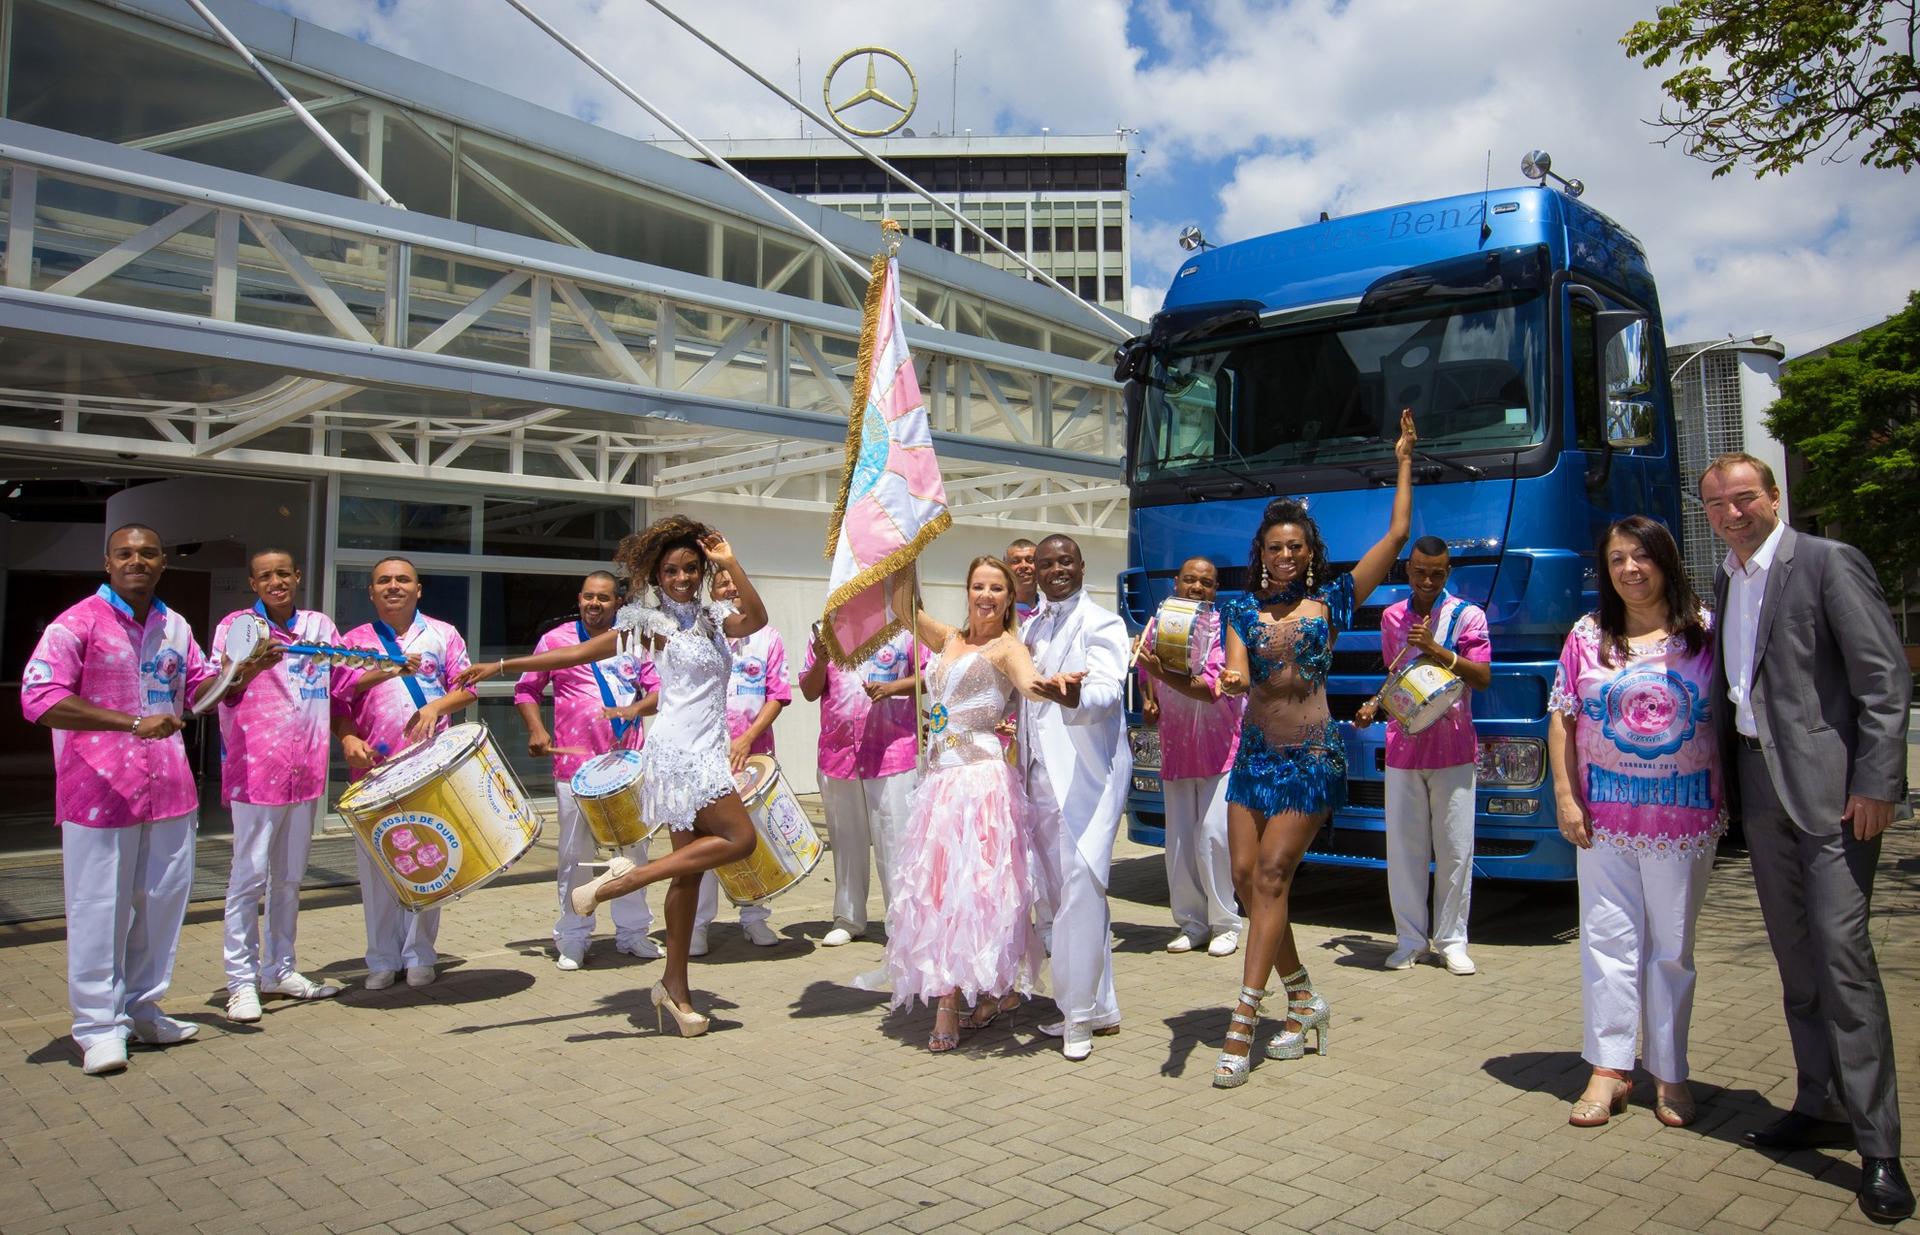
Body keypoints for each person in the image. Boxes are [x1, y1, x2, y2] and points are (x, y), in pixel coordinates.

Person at [1700, 453, 1911, 1223]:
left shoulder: (1827, 562)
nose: (1732, 513)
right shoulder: (1728, 578)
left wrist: (1878, 783)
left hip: (1833, 798)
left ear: (1773, 496)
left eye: (1743, 498)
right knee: (1796, 961)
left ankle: (1879, 1147)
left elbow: (1884, 681)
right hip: (1760, 790)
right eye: (1717, 503)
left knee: (1844, 961)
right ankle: (1818, 1101)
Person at [456, 517, 764, 1037]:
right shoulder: (651, 625)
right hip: (681, 755)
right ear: (656, 575)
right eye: (671, 570)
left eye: (691, 568)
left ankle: (674, 989)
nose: (682, 578)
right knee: (740, 838)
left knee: (689, 876)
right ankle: (627, 879)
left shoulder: (714, 619)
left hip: (707, 748)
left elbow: (757, 617)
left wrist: (730, 561)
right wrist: (502, 665)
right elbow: (577, 652)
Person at [1210, 406, 1416, 1089]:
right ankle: (1303, 999)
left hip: (1311, 757)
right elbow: (1236, 666)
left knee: (1273, 875)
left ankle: (1243, 1021)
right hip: (1255, 759)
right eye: (1276, 547)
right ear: (1262, 554)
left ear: (1309, 551)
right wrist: (1231, 678)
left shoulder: (1335, 598)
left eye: (1296, 546)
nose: (1286, 555)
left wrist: (1403, 461)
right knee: (1246, 880)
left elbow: (1397, 534)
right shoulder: (1240, 609)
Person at [854, 561, 1077, 1050]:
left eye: (997, 588)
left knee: (973, 892)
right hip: (939, 784)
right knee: (937, 891)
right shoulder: (949, 638)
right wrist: (906, 554)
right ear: (968, 590)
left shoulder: (1008, 647)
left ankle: (951, 1004)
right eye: (978, 586)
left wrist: (1053, 687)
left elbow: (1028, 683)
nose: (986, 595)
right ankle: (984, 993)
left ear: (1009, 597)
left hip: (981, 785)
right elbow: (902, 608)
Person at [20, 524, 217, 1075]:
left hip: (171, 790)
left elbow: (198, 690)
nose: (137, 561)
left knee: (161, 905)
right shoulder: (76, 623)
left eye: (148, 553)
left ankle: (143, 1010)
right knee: (99, 909)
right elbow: (39, 698)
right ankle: (97, 1027)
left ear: (163, 563)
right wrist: (130, 722)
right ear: (107, 562)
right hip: (99, 793)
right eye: (125, 553)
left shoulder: (176, 626)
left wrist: (239, 674)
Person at [1547, 516, 1723, 1131]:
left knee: (1671, 947)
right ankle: (1609, 1067)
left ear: (1665, 560)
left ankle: (1670, 1071)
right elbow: (1563, 716)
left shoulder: (1706, 631)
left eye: (1641, 555)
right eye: (1617, 558)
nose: (1630, 569)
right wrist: (1566, 796)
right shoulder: (1588, 634)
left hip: (1684, 817)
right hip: (1603, 820)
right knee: (1607, 941)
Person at [211, 548, 346, 1025]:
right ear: (253, 583)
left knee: (289, 879)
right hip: (255, 772)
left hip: (305, 772)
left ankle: (280, 970)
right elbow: (219, 688)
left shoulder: (319, 626)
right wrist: (251, 665)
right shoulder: (237, 626)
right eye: (266, 576)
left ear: (297, 576)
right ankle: (241, 982)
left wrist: (393, 667)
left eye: (283, 574)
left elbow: (343, 680)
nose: (276, 582)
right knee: (247, 879)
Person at [331, 557, 476, 991]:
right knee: (377, 870)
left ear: (418, 589)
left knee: (429, 861)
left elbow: (466, 687)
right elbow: (338, 700)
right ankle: (382, 958)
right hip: (373, 772)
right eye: (383, 581)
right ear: (372, 591)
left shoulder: (443, 634)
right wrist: (347, 739)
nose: (393, 586)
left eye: (402, 579)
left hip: (429, 769)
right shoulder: (354, 642)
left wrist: (435, 706)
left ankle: (420, 954)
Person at [1353, 535, 1491, 975]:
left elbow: (1482, 677)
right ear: (1408, 571)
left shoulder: (1468, 615)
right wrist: (1374, 704)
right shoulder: (1392, 616)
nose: (1427, 580)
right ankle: (1410, 940)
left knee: (1455, 850)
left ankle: (1451, 942)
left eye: (1436, 573)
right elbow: (1398, 676)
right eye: (1420, 572)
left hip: (1454, 749)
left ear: (1447, 573)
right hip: (1404, 747)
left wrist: (1436, 649)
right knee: (1405, 851)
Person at [513, 570, 660, 971]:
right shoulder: (555, 640)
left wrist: (634, 709)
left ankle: (633, 933)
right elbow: (526, 689)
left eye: (604, 598)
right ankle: (573, 936)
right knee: (575, 856)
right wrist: (536, 728)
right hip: (574, 769)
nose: (595, 604)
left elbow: (658, 691)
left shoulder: (634, 641)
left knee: (633, 852)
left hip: (627, 767)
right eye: (589, 597)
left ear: (618, 603)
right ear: (579, 599)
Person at [1021, 534, 1132, 1061]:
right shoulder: (1030, 627)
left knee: (1082, 891)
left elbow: (1108, 688)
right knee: (1059, 897)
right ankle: (1101, 1006)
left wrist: (1076, 697)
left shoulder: (1103, 622)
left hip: (1087, 778)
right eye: (1046, 564)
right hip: (1038, 781)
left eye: (1065, 561)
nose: (1056, 570)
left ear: (1082, 566)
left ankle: (1078, 1016)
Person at [1135, 556, 1244, 958]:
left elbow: (1210, 689)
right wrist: (1149, 701)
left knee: (1214, 836)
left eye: (1207, 582)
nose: (1198, 587)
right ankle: (1192, 923)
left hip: (1221, 749)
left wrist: (1160, 673)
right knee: (1180, 842)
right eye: (1190, 580)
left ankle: (1225, 924)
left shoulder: (1225, 630)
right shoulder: (1158, 626)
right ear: (1176, 583)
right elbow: (1146, 676)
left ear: (1216, 590)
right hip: (1178, 747)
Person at [797, 619, 925, 947]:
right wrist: (821, 659)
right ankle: (848, 917)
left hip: (892, 750)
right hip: (838, 754)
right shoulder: (825, 629)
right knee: (846, 841)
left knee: (895, 841)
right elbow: (809, 690)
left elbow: (930, 676)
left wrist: (892, 689)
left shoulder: (905, 627)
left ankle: (902, 923)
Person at [690, 565, 789, 950]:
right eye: (721, 584)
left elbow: (777, 694)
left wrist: (747, 738)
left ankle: (755, 917)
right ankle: (698, 924)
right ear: (711, 593)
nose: (730, 588)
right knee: (705, 840)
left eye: (735, 582)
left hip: (752, 756)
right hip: (705, 756)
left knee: (754, 839)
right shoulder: (699, 634)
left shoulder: (768, 636)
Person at [1005, 538, 1041, 624]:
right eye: (1015, 561)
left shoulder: (1052, 610)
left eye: (1030, 560)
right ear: (1005, 567)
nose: (1023, 566)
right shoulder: (996, 613)